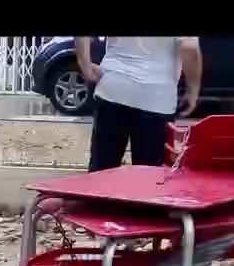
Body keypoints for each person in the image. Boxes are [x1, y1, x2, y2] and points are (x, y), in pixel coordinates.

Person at [75, 37, 202, 172]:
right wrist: (193, 90)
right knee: (149, 177)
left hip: (113, 89)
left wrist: (85, 64)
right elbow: (189, 48)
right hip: (156, 98)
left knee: (102, 169)